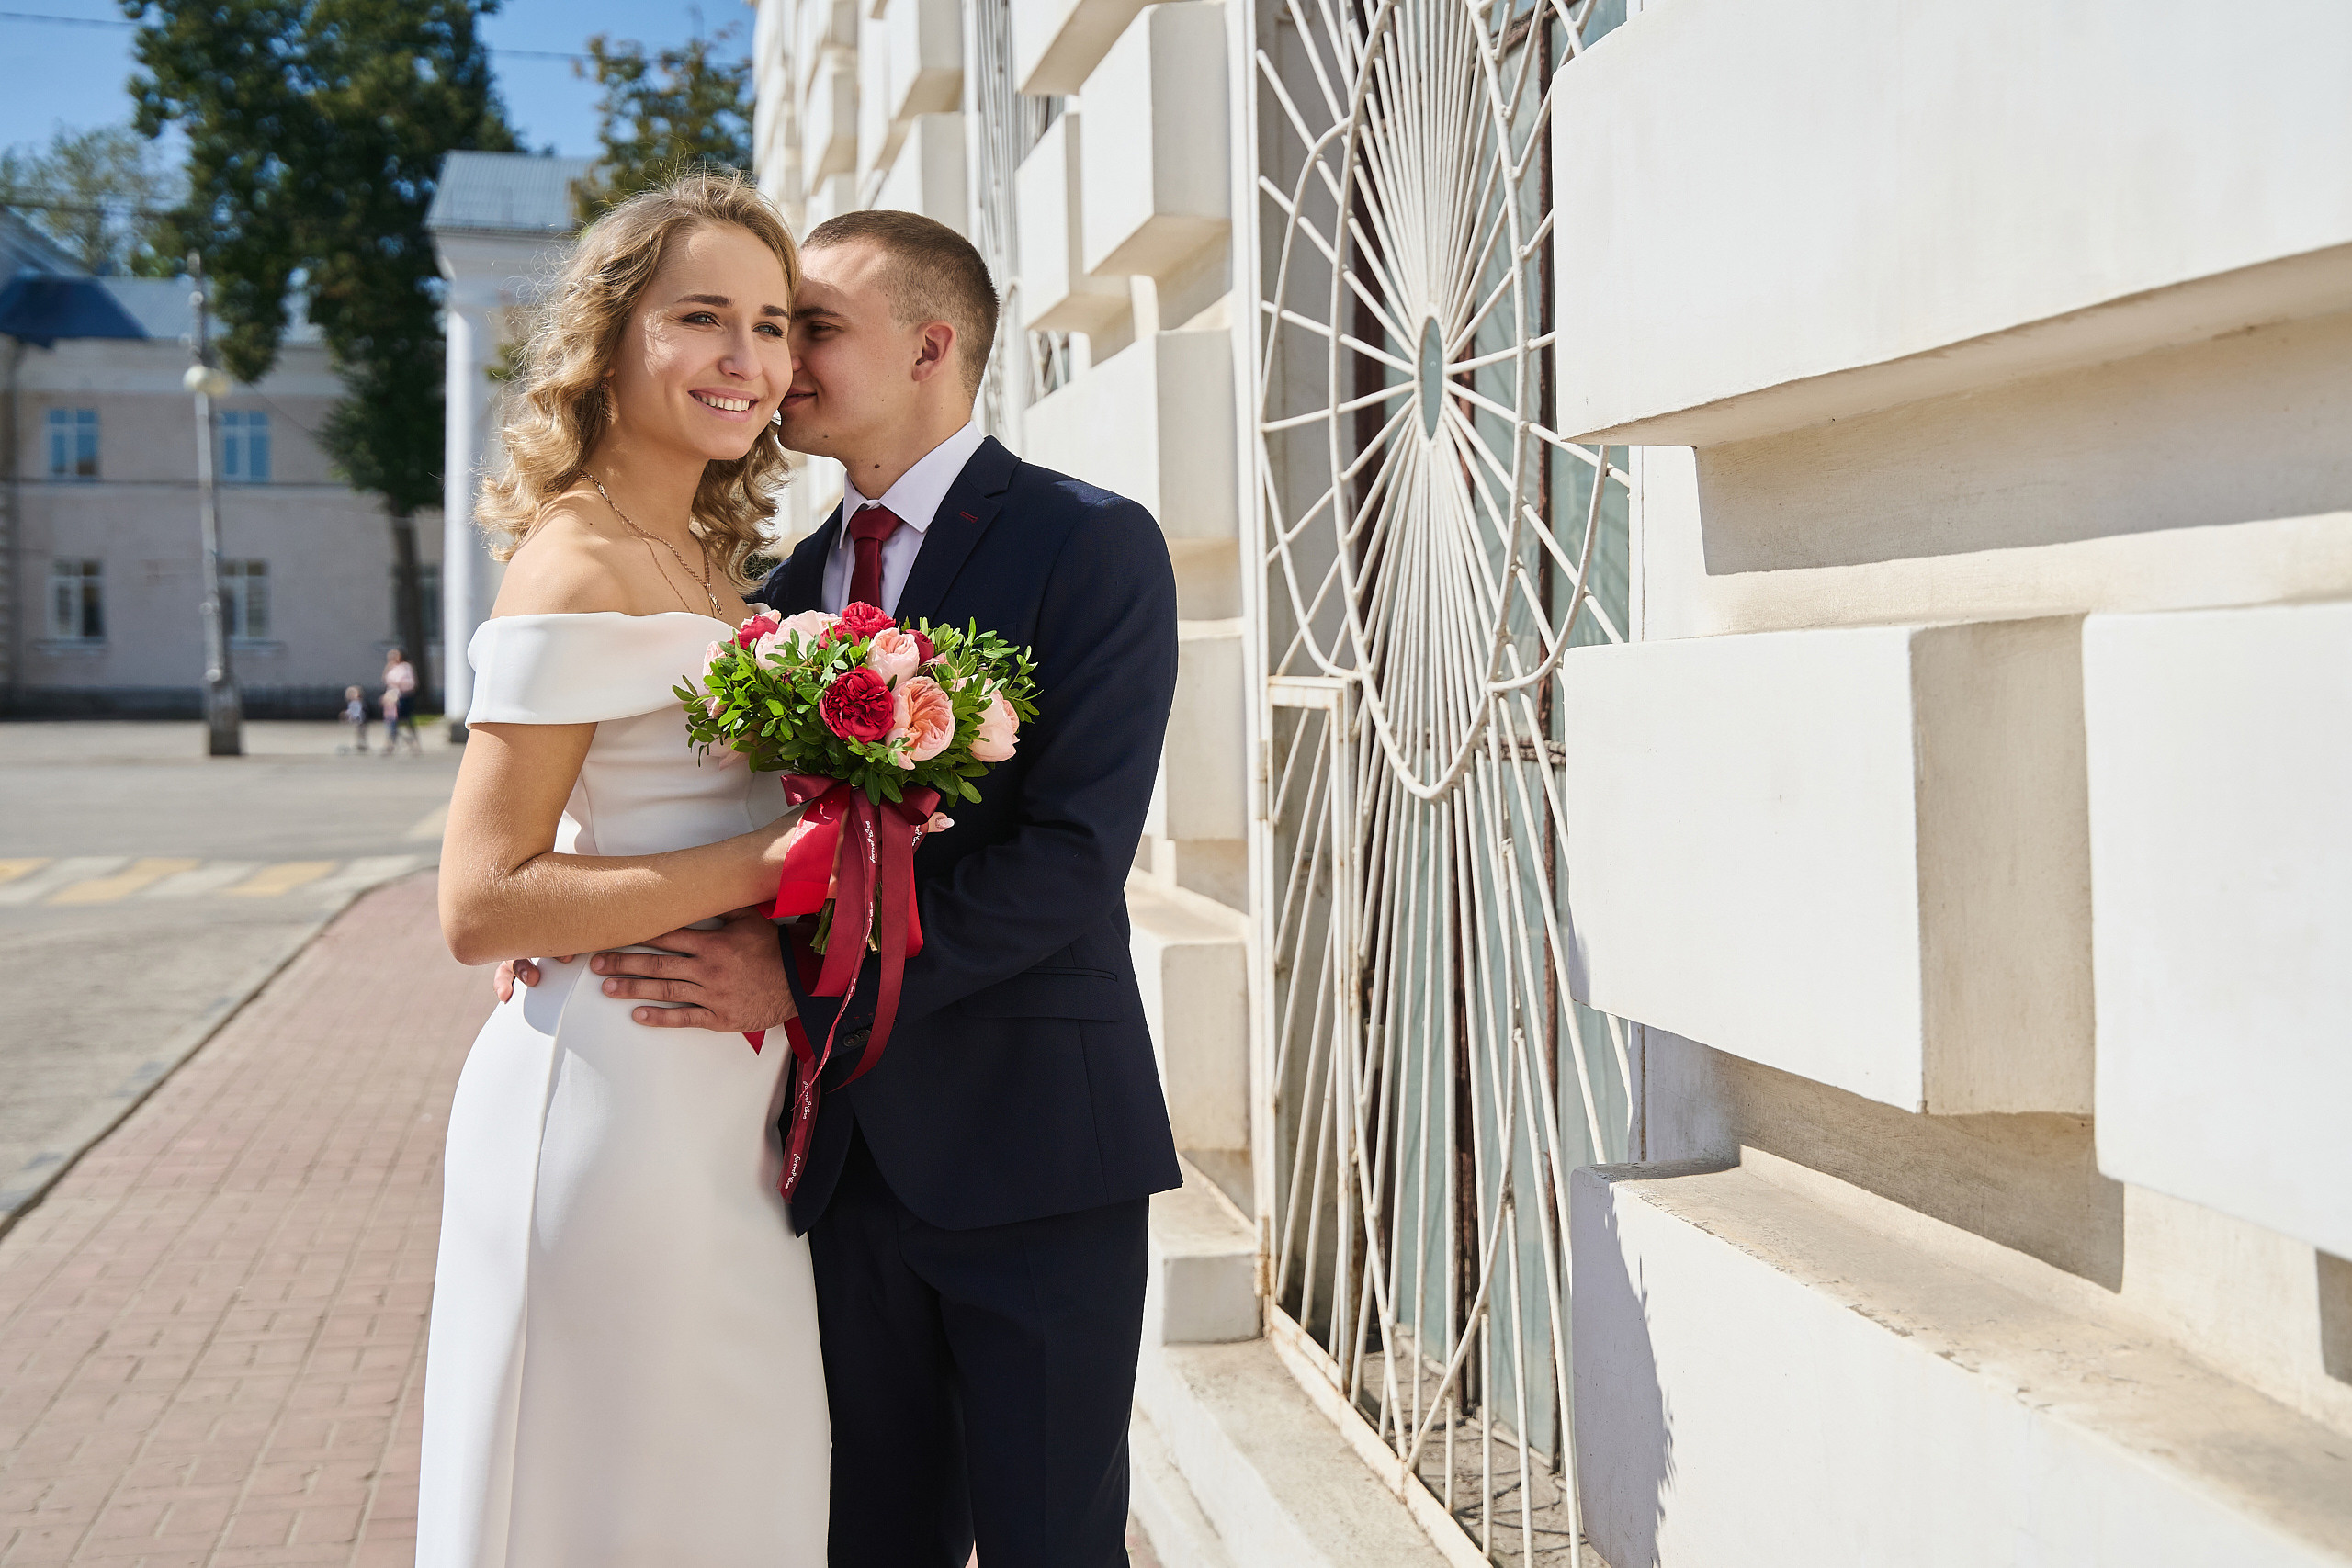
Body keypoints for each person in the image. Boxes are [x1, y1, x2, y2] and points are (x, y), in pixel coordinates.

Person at [503, 209, 1182, 1565]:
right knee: (874, 1534)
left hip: (1036, 1148)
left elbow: (1068, 860)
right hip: (832, 1168)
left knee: (1056, 1539)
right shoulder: (775, 591)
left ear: (931, 345)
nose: (775, 360)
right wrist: (582, 910)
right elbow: (747, 820)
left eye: (808, 325)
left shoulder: (1089, 543)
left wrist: (799, 981)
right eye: (754, 323)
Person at [417, 172, 827, 1565]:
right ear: (614, 336)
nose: (747, 360)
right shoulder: (576, 560)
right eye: (701, 317)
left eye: (772, 325)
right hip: (610, 1090)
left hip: (725, 1094)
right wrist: (768, 862)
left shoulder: (716, 564)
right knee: (607, 1496)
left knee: (730, 1486)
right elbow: (481, 902)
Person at [381, 648, 421, 755]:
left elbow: (410, 683)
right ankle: (390, 743)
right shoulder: (391, 668)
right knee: (391, 721)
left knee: (406, 720)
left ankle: (413, 743)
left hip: (403, 697)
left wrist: (399, 684)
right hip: (392, 699)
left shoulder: (406, 667)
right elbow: (387, 682)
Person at [343, 684, 370, 753]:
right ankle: (360, 744)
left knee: (362, 732)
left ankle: (362, 744)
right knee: (359, 732)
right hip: (358, 720)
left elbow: (361, 711)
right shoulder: (353, 703)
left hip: (362, 720)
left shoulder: (360, 703)